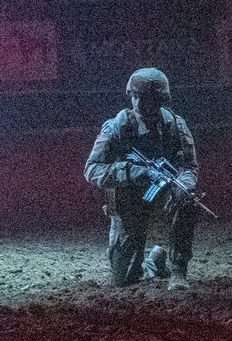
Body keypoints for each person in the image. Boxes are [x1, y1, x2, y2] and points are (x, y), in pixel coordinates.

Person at [85, 67, 198, 290]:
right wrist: (134, 172)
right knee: (123, 278)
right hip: (128, 200)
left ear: (160, 100)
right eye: (134, 96)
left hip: (164, 192)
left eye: (145, 98)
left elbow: (188, 166)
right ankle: (154, 260)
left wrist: (184, 185)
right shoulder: (117, 127)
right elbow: (92, 169)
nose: (138, 103)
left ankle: (178, 270)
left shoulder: (175, 126)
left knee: (187, 201)